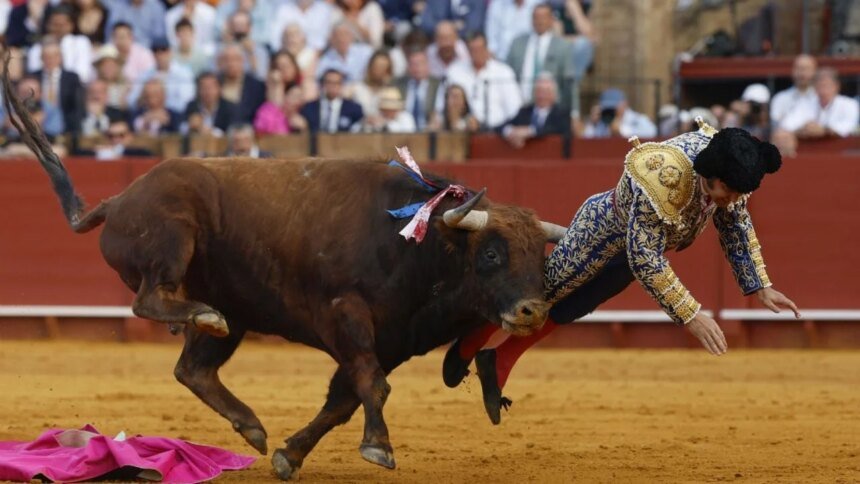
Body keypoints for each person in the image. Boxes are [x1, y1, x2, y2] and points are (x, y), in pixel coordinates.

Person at [443, 117, 801, 425]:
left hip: (638, 250)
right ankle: (473, 340)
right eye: (727, 191)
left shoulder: (733, 163)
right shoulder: (666, 176)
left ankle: (499, 360)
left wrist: (758, 286)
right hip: (603, 231)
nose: (732, 199)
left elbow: (735, 222)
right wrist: (691, 315)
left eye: (739, 193)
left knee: (574, 306)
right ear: (710, 173)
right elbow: (645, 256)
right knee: (544, 292)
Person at [445, 32, 522, 130]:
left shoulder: (503, 72)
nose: (476, 54)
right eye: (473, 50)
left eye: (479, 49)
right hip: (462, 133)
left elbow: (514, 109)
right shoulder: (454, 71)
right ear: (468, 50)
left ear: (486, 49)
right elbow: (443, 106)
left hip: (497, 132)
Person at [501, 73, 570, 148]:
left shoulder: (562, 113)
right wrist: (511, 132)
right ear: (534, 93)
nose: (542, 95)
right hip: (524, 156)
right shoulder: (525, 111)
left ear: (553, 95)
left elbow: (557, 129)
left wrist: (530, 131)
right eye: (539, 91)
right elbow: (500, 127)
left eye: (546, 92)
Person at [582, 88, 657, 139]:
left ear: (624, 104)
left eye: (613, 106)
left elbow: (651, 132)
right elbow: (587, 138)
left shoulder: (638, 119)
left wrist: (620, 130)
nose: (611, 110)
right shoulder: (601, 121)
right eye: (607, 107)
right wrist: (593, 124)